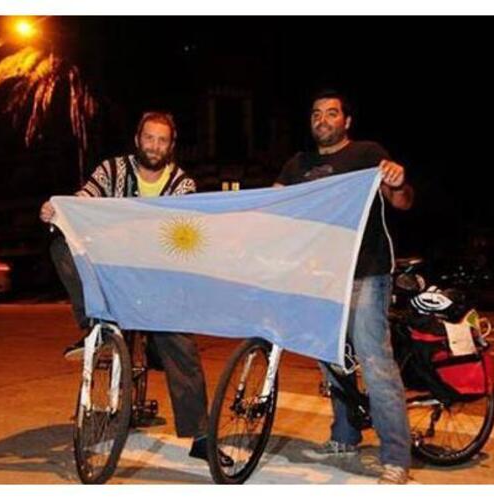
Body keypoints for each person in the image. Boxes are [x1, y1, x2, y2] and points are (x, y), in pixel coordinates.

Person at [39, 111, 231, 467]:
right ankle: (94, 324)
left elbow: (181, 238)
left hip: (158, 281)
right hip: (112, 273)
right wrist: (57, 209)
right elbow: (83, 200)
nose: (154, 146)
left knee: (181, 350)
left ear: (171, 146)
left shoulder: (182, 185)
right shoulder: (111, 170)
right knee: (60, 244)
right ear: (137, 139)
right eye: (149, 138)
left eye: (162, 140)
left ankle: (201, 435)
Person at [274, 90, 414, 484]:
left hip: (366, 271)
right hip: (320, 275)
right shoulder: (296, 165)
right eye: (316, 113)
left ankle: (396, 456)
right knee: (330, 358)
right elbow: (273, 205)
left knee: (373, 360)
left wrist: (399, 180)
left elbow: (402, 201)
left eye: (331, 113)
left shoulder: (368, 154)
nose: (323, 119)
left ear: (346, 121)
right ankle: (344, 435)